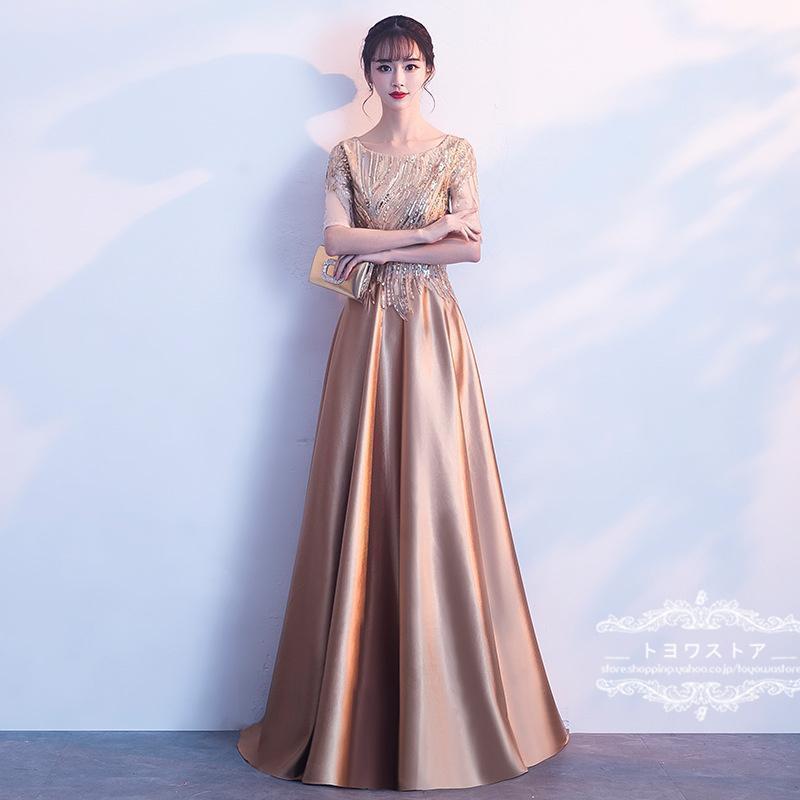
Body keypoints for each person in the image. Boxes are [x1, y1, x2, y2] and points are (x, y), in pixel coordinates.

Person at [236, 14, 570, 791]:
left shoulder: (456, 151)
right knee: (357, 488)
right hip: (364, 335)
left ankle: (454, 703)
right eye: (384, 65)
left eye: (410, 64)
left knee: (439, 489)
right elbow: (334, 241)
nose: (396, 77)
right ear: (367, 72)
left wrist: (393, 240)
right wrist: (427, 230)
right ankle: (352, 704)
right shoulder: (346, 155)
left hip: (431, 336)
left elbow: (471, 248)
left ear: (428, 71)